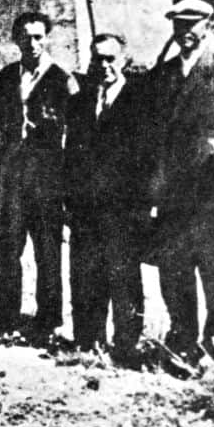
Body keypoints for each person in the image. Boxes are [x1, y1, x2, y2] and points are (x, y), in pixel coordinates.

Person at [143, 0, 214, 362]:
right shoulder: (162, 75)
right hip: (172, 187)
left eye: (193, 24)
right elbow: (153, 133)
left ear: (208, 25)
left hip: (213, 187)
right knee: (174, 266)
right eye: (179, 25)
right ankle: (181, 339)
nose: (186, 32)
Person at [0, 12, 77, 343]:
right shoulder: (7, 77)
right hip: (10, 177)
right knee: (8, 246)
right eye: (26, 36)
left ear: (48, 39)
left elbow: (73, 131)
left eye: (39, 36)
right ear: (15, 39)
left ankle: (49, 319)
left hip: (47, 179)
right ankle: (6, 317)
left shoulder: (62, 79)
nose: (33, 42)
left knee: (47, 249)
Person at [64, 34, 147, 362]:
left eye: (111, 58)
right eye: (98, 58)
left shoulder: (139, 100)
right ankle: (88, 340)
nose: (105, 65)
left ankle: (127, 345)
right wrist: (69, 200)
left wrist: (142, 205)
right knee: (85, 274)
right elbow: (71, 154)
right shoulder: (80, 101)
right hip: (86, 207)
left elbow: (146, 156)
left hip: (123, 208)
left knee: (124, 275)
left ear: (123, 60)